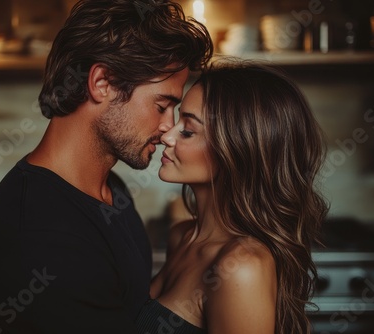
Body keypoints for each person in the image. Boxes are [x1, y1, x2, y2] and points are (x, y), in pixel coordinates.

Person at [0, 1, 212, 333]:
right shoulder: (36, 242)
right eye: (162, 105)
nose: (168, 127)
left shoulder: (111, 190)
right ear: (101, 82)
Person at [135, 60, 329, 334]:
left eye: (188, 131)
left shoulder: (242, 267)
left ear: (236, 152)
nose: (167, 135)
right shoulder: (183, 236)